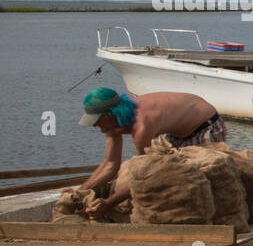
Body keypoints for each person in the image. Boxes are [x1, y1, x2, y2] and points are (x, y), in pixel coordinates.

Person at [75, 87, 224, 220]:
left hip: (205, 124)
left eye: (98, 120)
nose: (95, 125)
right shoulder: (111, 125)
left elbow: (142, 176)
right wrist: (79, 193)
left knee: (201, 175)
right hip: (176, 132)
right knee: (172, 172)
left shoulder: (142, 126)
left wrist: (108, 203)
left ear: (111, 113)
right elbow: (110, 164)